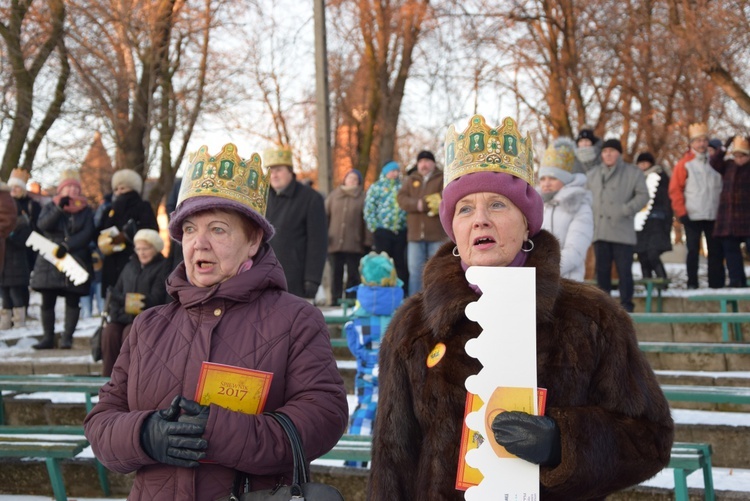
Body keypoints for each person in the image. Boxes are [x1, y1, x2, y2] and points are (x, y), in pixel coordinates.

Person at [369, 114, 673, 500]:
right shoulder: (413, 326)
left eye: (497, 205)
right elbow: (392, 462)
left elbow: (651, 438)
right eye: (465, 209)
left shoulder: (592, 317)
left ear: (527, 223)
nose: (480, 220)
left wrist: (562, 443)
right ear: (453, 230)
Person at [84, 143, 348, 500]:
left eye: (218, 230)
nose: (199, 244)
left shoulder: (296, 319)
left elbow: (324, 416)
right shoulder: (148, 325)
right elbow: (101, 421)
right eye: (190, 230)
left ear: (253, 239)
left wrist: (222, 432)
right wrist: (143, 433)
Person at [343, 252, 403, 467]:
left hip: (368, 375)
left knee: (365, 410)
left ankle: (356, 461)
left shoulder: (359, 317)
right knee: (395, 412)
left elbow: (354, 345)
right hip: (395, 373)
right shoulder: (403, 312)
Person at [30, 172, 95, 349]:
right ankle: (48, 337)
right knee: (48, 299)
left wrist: (68, 246)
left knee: (73, 299)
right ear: (62, 189)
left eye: (76, 187)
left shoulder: (85, 209)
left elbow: (88, 232)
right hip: (50, 258)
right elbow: (43, 225)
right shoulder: (51, 205)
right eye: (69, 187)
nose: (72, 190)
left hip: (75, 257)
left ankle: (67, 338)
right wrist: (59, 209)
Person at [586, 138, 649, 312]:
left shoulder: (632, 172)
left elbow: (643, 195)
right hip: (600, 229)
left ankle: (627, 305)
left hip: (622, 229)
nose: (608, 154)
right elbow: (585, 197)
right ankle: (604, 307)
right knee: (602, 271)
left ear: (619, 154)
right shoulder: (592, 174)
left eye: (612, 151)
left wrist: (626, 210)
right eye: (605, 151)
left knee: (624, 271)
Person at [100, 229, 171, 377]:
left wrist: (123, 299)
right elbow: (115, 294)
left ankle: (129, 378)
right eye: (138, 249)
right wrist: (119, 310)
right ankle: (108, 378)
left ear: (155, 248)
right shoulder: (129, 266)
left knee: (130, 333)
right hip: (123, 317)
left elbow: (154, 299)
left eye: (146, 248)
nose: (142, 253)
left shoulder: (163, 267)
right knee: (109, 332)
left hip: (148, 319)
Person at [264, 145, 327, 299]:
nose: (274, 175)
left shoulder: (311, 199)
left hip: (294, 280)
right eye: (270, 171)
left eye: (278, 170)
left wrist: (312, 279)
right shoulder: (262, 198)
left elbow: (317, 242)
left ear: (290, 171)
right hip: (264, 277)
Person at [669, 122, 724, 289]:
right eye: (697, 141)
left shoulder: (715, 164)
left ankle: (716, 284)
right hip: (692, 214)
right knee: (693, 250)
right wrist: (681, 212)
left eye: (703, 140)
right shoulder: (684, 164)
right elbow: (675, 189)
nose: (701, 144)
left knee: (715, 251)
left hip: (713, 214)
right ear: (691, 144)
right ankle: (692, 282)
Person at [537, 137, 593, 281]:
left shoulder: (579, 207)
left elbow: (575, 251)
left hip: (567, 283)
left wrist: (544, 270)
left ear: (565, 179)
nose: (546, 183)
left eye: (552, 178)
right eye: (542, 179)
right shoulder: (537, 206)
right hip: (537, 283)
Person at [97, 169, 159, 297]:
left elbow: (151, 231)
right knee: (112, 300)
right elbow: (98, 231)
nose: (119, 192)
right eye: (116, 189)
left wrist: (127, 235)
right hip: (111, 260)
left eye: (123, 188)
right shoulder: (109, 209)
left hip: (133, 258)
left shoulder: (142, 207)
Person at [397, 150, 447, 295]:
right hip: (414, 236)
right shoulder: (411, 180)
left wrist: (422, 205)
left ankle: (435, 303)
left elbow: (444, 198)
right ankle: (414, 306)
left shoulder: (442, 179)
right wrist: (418, 204)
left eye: (427, 161)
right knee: (414, 273)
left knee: (436, 272)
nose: (424, 165)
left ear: (433, 163)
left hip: (437, 236)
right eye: (421, 162)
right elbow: (401, 199)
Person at [710, 136, 750, 288]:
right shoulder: (728, 166)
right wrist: (724, 146)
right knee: (730, 250)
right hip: (729, 216)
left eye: (743, 156)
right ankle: (736, 280)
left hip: (746, 215)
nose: (739, 159)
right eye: (737, 155)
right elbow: (714, 162)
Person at [325, 169, 369, 304]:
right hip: (334, 243)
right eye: (349, 178)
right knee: (336, 273)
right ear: (344, 179)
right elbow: (324, 217)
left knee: (353, 274)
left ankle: (351, 301)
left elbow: (366, 221)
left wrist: (367, 241)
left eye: (355, 179)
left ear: (359, 183)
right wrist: (324, 238)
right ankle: (335, 299)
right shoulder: (333, 196)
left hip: (354, 243)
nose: (352, 181)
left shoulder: (363, 197)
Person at [1, 169, 38, 328]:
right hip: (5, 256)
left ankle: (19, 320)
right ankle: (5, 319)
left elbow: (27, 234)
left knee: (17, 290)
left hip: (19, 257)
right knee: (5, 291)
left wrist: (9, 234)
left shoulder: (27, 209)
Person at [364, 160, 408, 292]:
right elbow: (369, 209)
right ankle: (381, 290)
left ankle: (401, 291)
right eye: (392, 171)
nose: (395, 174)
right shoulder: (376, 187)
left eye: (397, 171)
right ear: (385, 172)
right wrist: (375, 227)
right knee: (382, 263)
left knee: (400, 264)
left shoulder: (402, 187)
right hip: (383, 231)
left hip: (400, 231)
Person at [634, 152, 673, 282]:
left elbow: (667, 200)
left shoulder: (660, 177)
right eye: (640, 163)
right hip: (639, 222)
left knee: (653, 253)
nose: (643, 166)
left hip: (657, 221)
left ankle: (662, 281)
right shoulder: (634, 179)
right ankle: (647, 284)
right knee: (642, 254)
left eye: (645, 162)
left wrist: (667, 220)